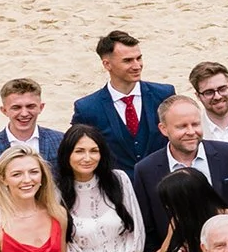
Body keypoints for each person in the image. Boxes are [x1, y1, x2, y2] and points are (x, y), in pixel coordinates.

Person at [133, 93, 228, 252]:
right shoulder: (146, 170)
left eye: (195, 124)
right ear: (163, 129)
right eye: (182, 126)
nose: (191, 132)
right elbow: (148, 229)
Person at [71, 30, 173, 173]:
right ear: (107, 64)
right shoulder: (87, 108)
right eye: (128, 60)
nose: (137, 66)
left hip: (163, 184)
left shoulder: (164, 94)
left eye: (139, 58)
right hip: (116, 189)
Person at [0, 78, 64, 214]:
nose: (24, 113)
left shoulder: (60, 140)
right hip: (9, 225)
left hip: (56, 219)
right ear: (4, 110)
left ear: (41, 107)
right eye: (16, 107)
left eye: (30, 106)